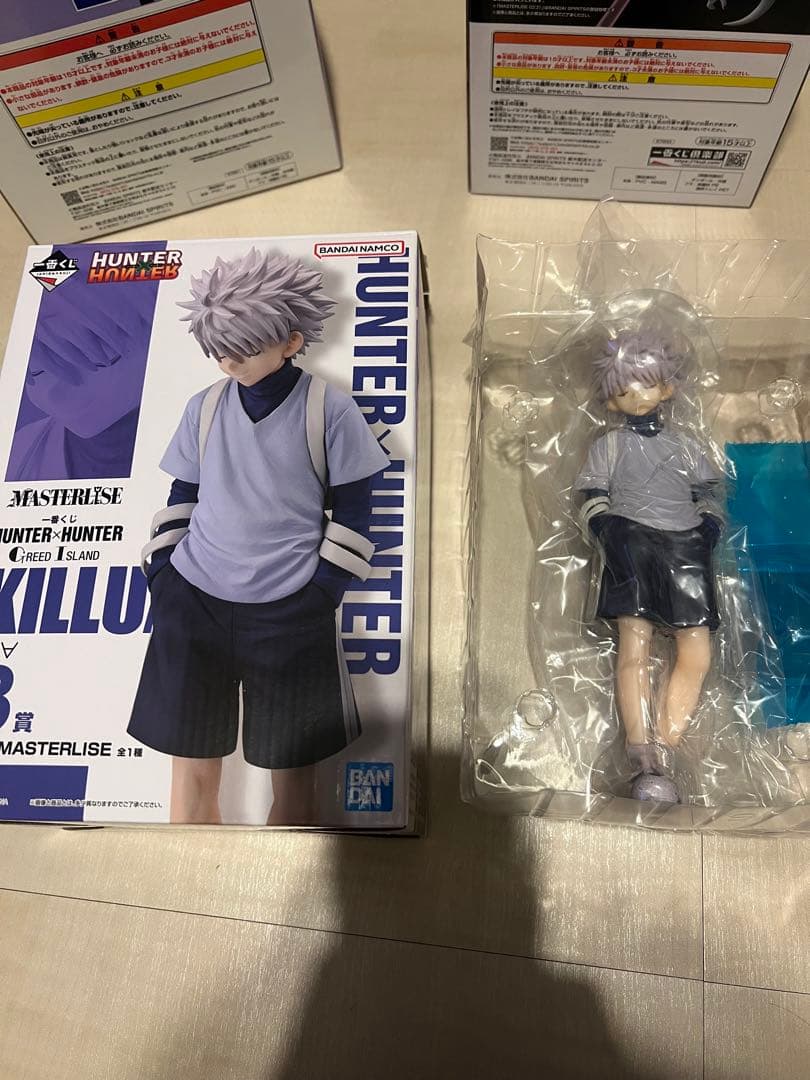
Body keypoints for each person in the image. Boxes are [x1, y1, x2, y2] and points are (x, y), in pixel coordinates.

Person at [128, 248, 388, 825]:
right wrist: (164, 577)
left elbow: (356, 508)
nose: (229, 362)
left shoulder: (330, 408)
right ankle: (184, 875)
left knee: (292, 773)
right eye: (218, 350)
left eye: (243, 348)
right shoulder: (204, 407)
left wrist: (321, 593)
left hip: (290, 609)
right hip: (193, 600)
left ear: (291, 341)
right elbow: (183, 494)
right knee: (190, 767)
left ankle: (282, 878)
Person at [575, 330, 724, 802]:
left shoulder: (685, 445)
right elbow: (592, 495)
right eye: (623, 390)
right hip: (632, 541)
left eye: (646, 383)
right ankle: (645, 756)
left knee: (697, 649)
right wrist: (608, 531)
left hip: (686, 543)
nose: (636, 396)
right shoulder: (609, 446)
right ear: (611, 401)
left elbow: (710, 493)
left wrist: (708, 527)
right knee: (634, 645)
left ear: (667, 387)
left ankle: (666, 743)